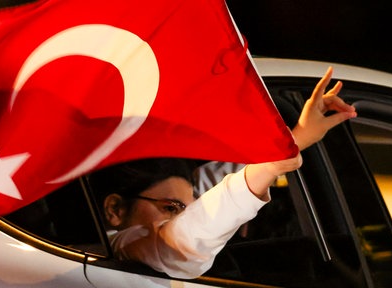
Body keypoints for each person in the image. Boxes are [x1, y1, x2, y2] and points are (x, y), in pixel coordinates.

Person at [87, 67, 357, 279]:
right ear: (115, 209)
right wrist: (274, 164)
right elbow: (187, 236)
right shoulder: (123, 246)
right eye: (171, 208)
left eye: (187, 208)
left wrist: (297, 137)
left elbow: (214, 189)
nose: (184, 217)